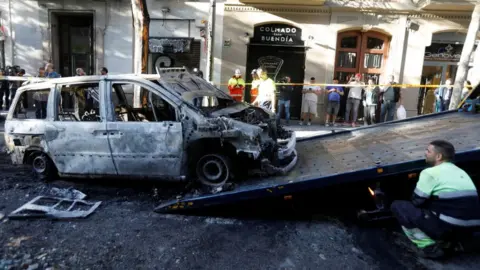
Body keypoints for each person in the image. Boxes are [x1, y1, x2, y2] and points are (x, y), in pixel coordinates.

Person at [391, 140, 480, 259]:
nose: (425, 153)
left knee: (399, 206)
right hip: (473, 227)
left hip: (449, 228)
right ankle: (461, 243)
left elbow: (417, 201)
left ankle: (429, 247)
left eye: (428, 151)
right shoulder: (461, 172)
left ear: (438, 156)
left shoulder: (429, 172)